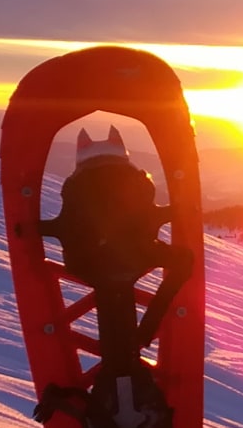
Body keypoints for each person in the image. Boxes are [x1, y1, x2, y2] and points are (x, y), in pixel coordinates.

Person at [50, 126, 192, 354]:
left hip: (87, 263)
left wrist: (34, 228)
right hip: (135, 256)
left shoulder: (74, 185)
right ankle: (146, 331)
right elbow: (149, 217)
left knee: (108, 290)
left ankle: (128, 349)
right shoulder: (136, 179)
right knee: (184, 260)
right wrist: (177, 211)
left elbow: (65, 224)